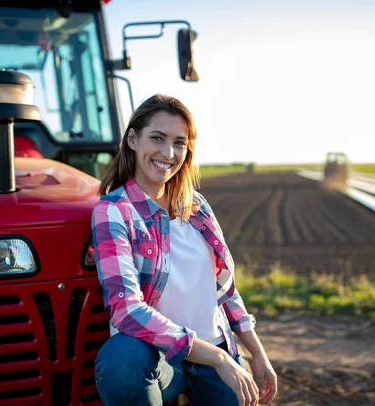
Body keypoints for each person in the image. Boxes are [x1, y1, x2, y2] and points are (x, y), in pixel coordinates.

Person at [91, 94, 277, 406]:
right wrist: (218, 359)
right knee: (121, 361)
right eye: (157, 138)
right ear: (133, 139)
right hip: (158, 358)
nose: (168, 152)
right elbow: (127, 310)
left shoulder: (198, 206)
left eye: (179, 142)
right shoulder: (113, 211)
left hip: (215, 344)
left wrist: (257, 354)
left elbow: (224, 289)